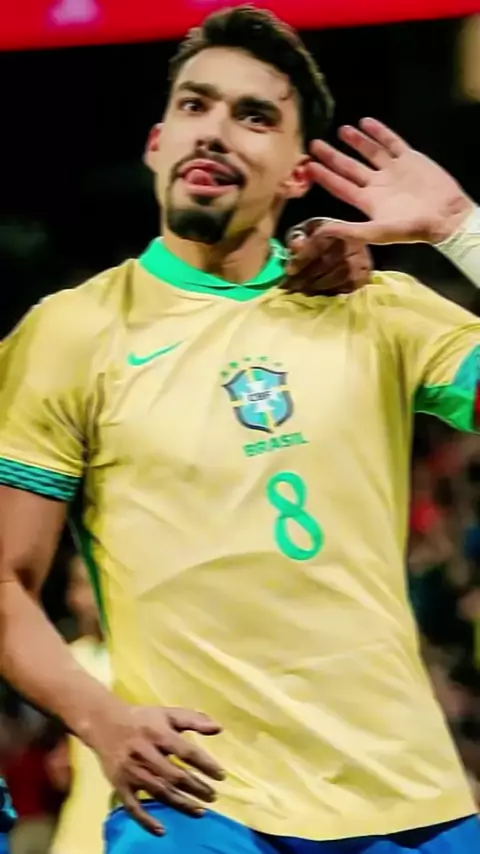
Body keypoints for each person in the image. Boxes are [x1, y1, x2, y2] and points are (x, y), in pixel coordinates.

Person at [1, 5, 480, 853]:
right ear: (157, 144)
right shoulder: (70, 333)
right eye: (196, 105)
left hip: (411, 805)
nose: (216, 130)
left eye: (255, 116)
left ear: (299, 174)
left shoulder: (376, 310)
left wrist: (459, 228)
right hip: (198, 804)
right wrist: (100, 717)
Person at [48, 555, 111, 854]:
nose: (80, 599)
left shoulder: (141, 659)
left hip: (137, 817)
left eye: (90, 586)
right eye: (76, 586)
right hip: (82, 822)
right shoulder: (71, 657)